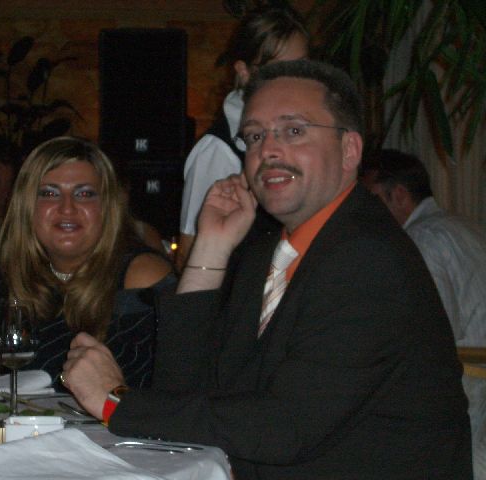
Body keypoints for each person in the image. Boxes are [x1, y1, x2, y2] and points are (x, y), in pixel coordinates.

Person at [62, 60, 472, 478]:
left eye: (293, 131)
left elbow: (287, 427)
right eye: (255, 136)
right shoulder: (270, 251)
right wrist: (212, 248)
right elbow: (189, 388)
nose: (268, 151)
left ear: (349, 150)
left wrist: (116, 402)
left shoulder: (367, 257)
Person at [0, 136, 175, 390]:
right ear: (26, 206)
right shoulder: (2, 278)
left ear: (107, 207)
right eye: (49, 193)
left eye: (84, 194)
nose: (67, 208)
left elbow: (172, 394)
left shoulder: (141, 278)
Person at [369, 148, 486, 473]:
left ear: (399, 195)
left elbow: (435, 331)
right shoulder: (464, 225)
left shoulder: (420, 241)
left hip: (469, 387)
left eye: (373, 199)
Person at [176, 4, 309, 271]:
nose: (294, 81)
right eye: (278, 71)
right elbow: (188, 256)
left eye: (302, 67)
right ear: (244, 72)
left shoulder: (309, 132)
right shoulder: (219, 150)